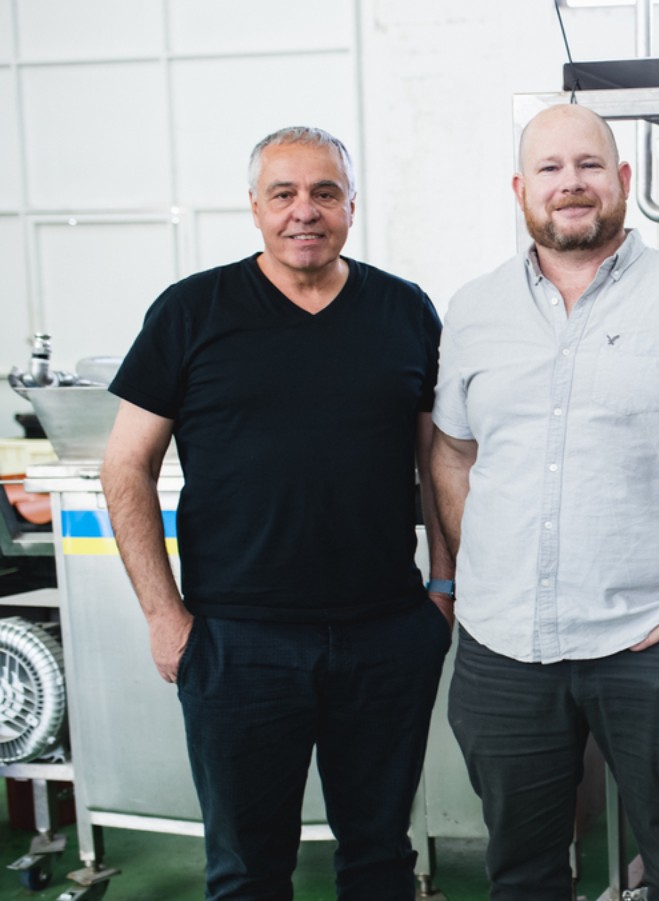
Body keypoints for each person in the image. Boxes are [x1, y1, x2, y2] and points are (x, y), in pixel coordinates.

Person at [430, 103, 659, 901]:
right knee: (521, 873)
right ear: (521, 189)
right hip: (504, 647)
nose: (572, 185)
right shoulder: (473, 309)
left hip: (650, 644)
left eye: (589, 166)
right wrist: (477, 567)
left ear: (623, 180)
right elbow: (452, 453)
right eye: (551, 170)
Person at [101, 126, 453, 899]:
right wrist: (165, 615)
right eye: (284, 194)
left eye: (325, 193)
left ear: (351, 206)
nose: (305, 211)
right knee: (248, 869)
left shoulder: (404, 310)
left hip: (386, 633)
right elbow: (125, 465)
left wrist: (444, 589)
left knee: (380, 856)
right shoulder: (192, 311)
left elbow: (439, 460)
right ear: (255, 208)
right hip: (238, 641)